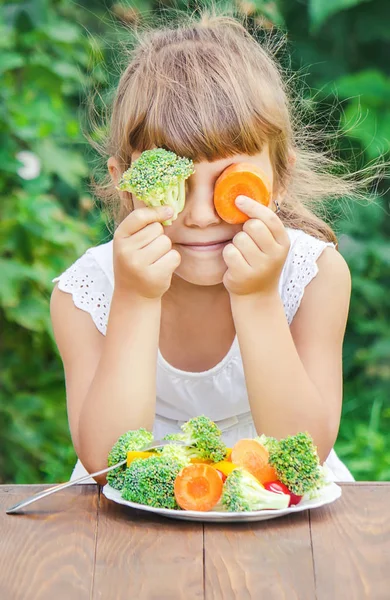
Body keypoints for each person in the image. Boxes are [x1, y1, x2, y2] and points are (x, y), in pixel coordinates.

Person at [50, 10, 359, 485]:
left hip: (278, 512)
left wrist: (257, 299)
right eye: (174, 182)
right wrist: (135, 298)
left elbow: (302, 458)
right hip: (131, 529)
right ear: (124, 183)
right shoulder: (87, 293)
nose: (198, 215)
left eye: (228, 184)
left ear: (279, 180)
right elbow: (106, 466)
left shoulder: (316, 276)